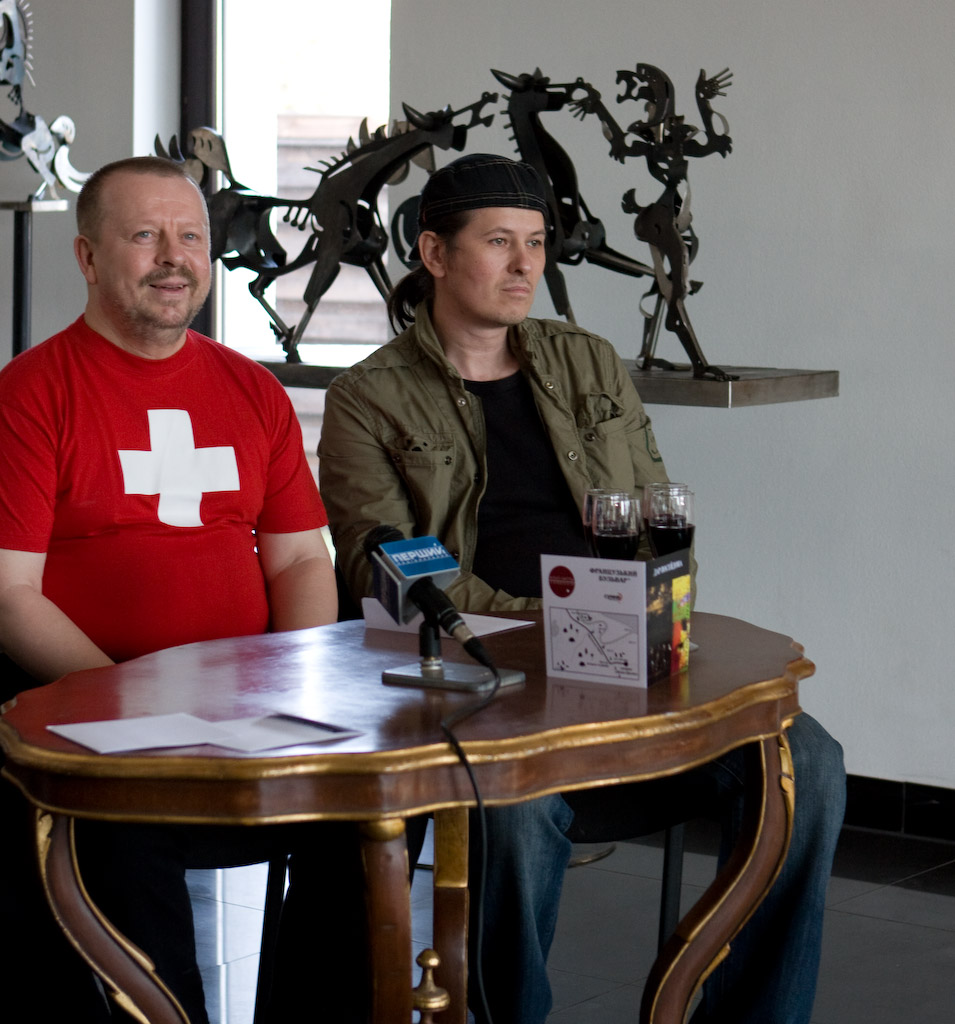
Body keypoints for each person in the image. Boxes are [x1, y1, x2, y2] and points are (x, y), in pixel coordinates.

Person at [318, 153, 846, 1024]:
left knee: (807, 762)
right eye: (499, 242)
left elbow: (658, 518)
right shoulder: (367, 397)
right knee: (512, 812)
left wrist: (634, 613)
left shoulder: (587, 360)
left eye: (535, 243)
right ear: (434, 254)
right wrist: (573, 621)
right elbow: (391, 566)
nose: (526, 265)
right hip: (487, 674)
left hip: (629, 656)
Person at [0, 156, 343, 1023]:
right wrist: (133, 700)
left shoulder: (251, 388)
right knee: (124, 839)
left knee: (376, 814)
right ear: (87, 256)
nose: (173, 257)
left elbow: (301, 562)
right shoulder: (30, 393)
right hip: (94, 718)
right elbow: (10, 595)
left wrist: (296, 677)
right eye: (144, 235)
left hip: (251, 713)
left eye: (190, 236)